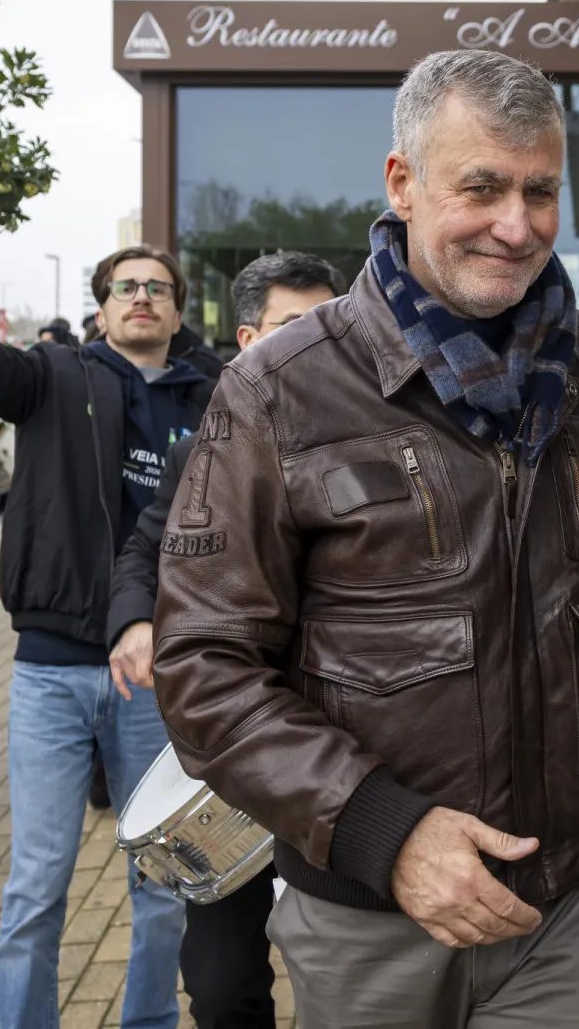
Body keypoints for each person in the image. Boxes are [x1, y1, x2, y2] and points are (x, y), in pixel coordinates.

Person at [150, 49, 579, 1029]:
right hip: (373, 912)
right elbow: (203, 665)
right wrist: (387, 834)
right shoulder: (277, 389)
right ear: (403, 185)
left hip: (573, 895)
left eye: (542, 190)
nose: (519, 224)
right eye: (484, 187)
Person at [0, 187, 216, 1029]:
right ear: (101, 309)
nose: (143, 297)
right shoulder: (52, 378)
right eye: (126, 287)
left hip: (159, 677)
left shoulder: (217, 397)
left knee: (162, 880)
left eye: (158, 289)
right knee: (37, 881)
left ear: (178, 311)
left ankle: (148, 1022)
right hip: (53, 670)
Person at [107, 249, 344, 1029]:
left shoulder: (391, 440)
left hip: (356, 751)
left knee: (353, 978)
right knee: (220, 985)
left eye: (330, 323)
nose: (318, 342)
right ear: (248, 340)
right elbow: (146, 549)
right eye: (292, 326)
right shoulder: (200, 455)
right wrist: (136, 619)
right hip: (242, 751)